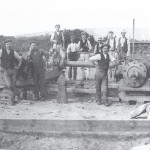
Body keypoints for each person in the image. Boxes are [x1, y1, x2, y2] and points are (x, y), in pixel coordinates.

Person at [0, 39, 22, 105]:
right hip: (6, 71)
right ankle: (18, 93)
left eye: (9, 44)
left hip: (13, 71)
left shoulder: (13, 52)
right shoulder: (1, 51)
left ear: (11, 45)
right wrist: (0, 67)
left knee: (12, 85)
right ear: (5, 45)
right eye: (7, 44)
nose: (8, 45)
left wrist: (18, 66)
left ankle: (11, 101)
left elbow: (20, 58)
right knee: (9, 85)